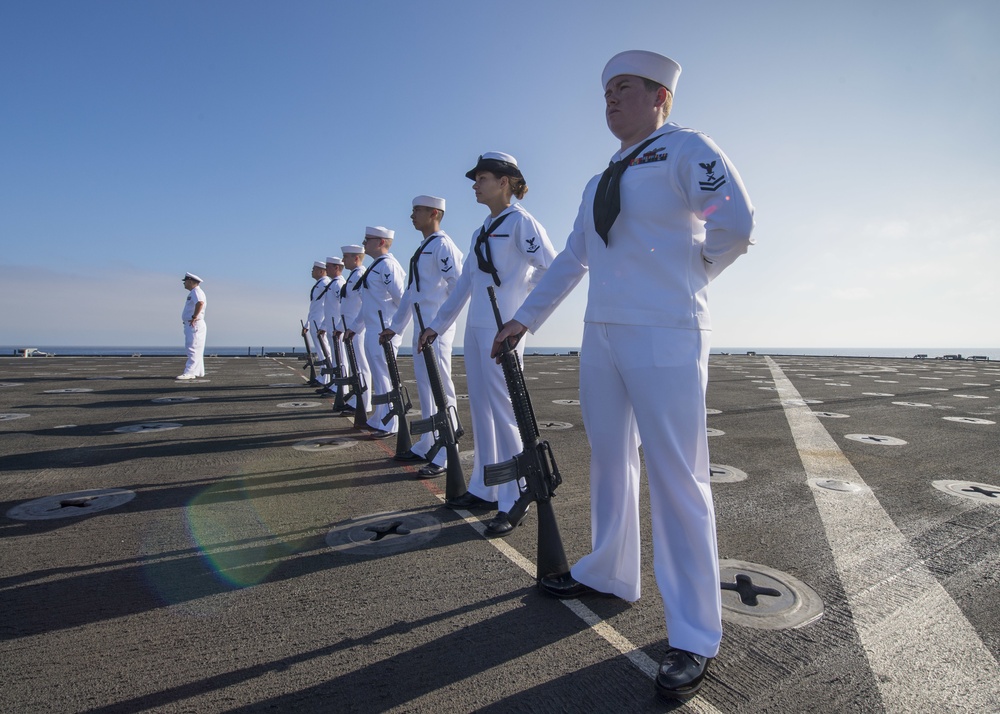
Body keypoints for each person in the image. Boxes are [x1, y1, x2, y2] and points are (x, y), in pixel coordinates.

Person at [492, 51, 755, 701]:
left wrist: (691, 276)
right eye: (606, 91)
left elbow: (736, 225)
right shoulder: (599, 179)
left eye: (626, 89)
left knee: (678, 479)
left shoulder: (687, 149)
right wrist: (522, 320)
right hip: (601, 335)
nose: (611, 100)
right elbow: (571, 261)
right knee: (611, 461)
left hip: (666, 330)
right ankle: (609, 572)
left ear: (661, 97)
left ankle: (695, 634)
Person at [419, 152, 556, 534]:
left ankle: (516, 497)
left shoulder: (520, 223)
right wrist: (436, 325)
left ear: (505, 182)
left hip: (503, 328)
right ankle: (487, 488)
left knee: (505, 409)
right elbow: (464, 284)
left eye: (481, 178)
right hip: (476, 328)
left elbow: (551, 267)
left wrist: (520, 307)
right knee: (480, 407)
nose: (475, 185)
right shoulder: (482, 228)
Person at [380, 195, 464, 474]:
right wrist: (395, 326)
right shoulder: (423, 248)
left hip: (435, 329)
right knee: (426, 388)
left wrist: (440, 324)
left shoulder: (442, 246)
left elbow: (459, 286)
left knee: (441, 388)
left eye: (417, 209)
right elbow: (410, 294)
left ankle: (447, 451)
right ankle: (429, 441)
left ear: (435, 213)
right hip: (422, 328)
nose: (412, 214)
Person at [346, 227, 405, 438]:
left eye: (367, 239)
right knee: (380, 379)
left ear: (380, 242)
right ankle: (380, 418)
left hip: (384, 329)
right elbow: (367, 305)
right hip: (373, 329)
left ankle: (391, 423)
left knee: (385, 377)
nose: (364, 242)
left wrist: (395, 328)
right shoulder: (376, 266)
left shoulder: (388, 265)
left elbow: (401, 299)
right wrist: (354, 328)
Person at [338, 245, 371, 415]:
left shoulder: (360, 276)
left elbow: (364, 304)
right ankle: (357, 400)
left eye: (346, 257)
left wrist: (356, 327)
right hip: (350, 328)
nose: (343, 261)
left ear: (356, 258)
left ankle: (363, 403)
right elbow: (347, 306)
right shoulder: (353, 276)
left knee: (361, 366)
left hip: (357, 330)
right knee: (355, 366)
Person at [317, 256, 346, 396]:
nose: (326, 269)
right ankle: (335, 384)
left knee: (341, 358)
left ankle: (341, 388)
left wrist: (339, 326)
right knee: (336, 358)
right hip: (331, 326)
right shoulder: (333, 284)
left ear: (336, 268)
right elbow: (328, 309)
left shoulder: (339, 284)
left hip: (337, 327)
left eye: (328, 266)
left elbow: (344, 306)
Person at [303, 260, 333, 388]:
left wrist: (324, 325)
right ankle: (323, 376)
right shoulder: (319, 285)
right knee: (321, 352)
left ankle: (327, 378)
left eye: (314, 269)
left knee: (325, 351)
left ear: (321, 271)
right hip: (315, 321)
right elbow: (314, 307)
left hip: (320, 322)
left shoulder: (325, 284)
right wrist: (307, 324)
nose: (312, 271)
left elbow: (329, 306)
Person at [177, 272, 207, 380]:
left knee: (192, 348)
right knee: (196, 348)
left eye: (185, 281)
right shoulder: (195, 292)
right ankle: (199, 371)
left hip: (195, 323)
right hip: (194, 323)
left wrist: (194, 316)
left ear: (190, 281)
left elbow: (200, 303)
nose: (184, 284)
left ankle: (190, 372)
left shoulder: (196, 292)